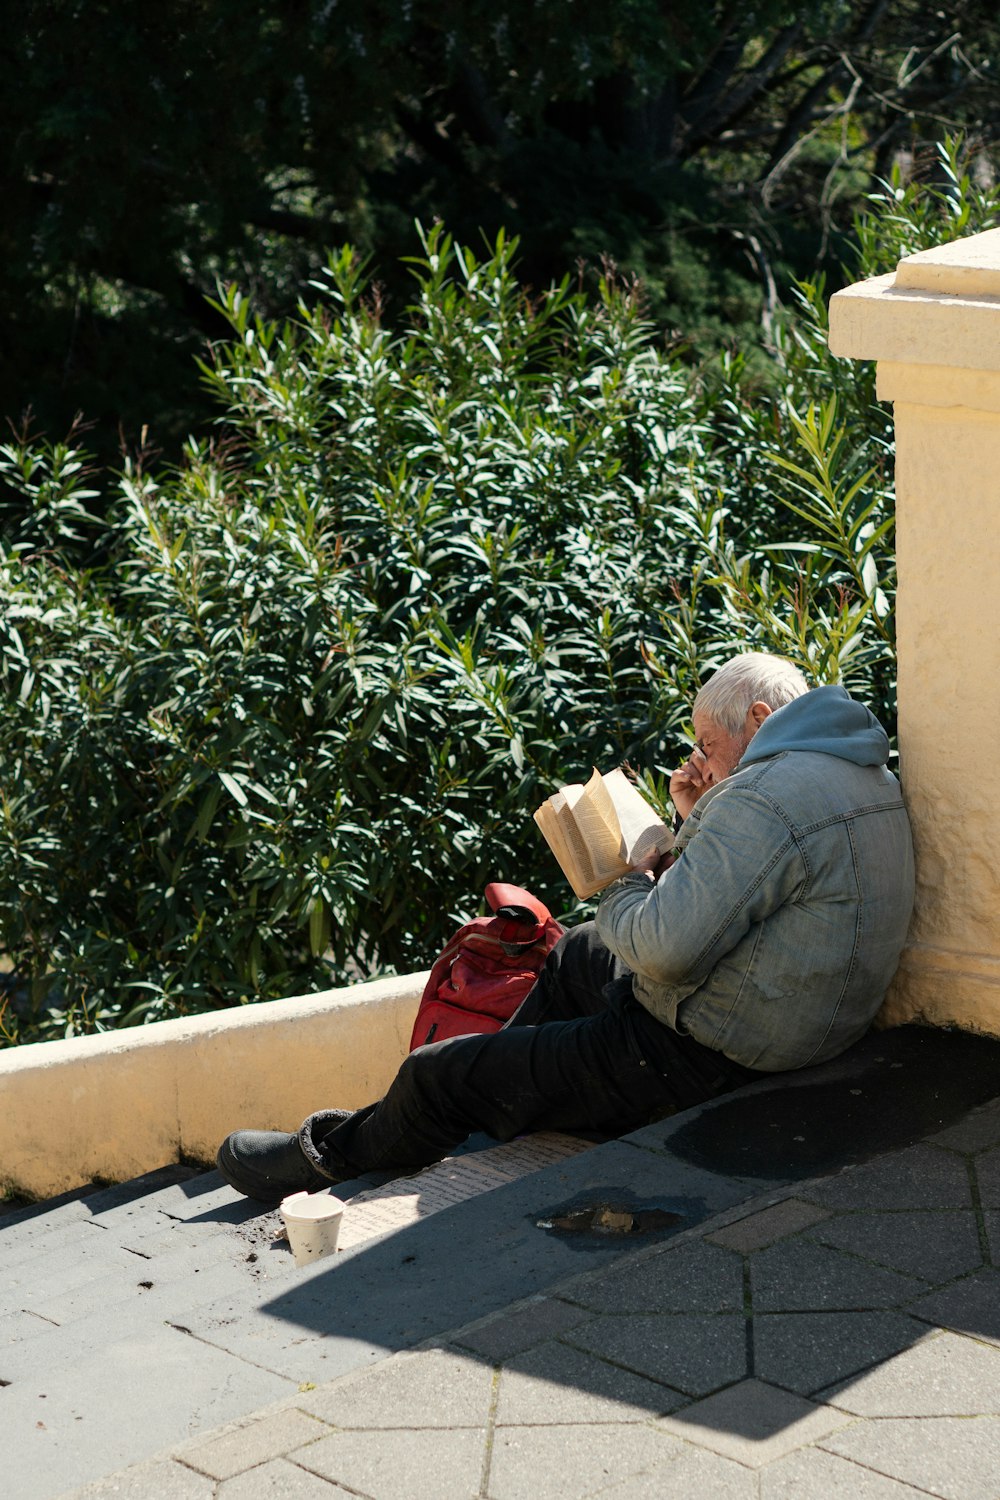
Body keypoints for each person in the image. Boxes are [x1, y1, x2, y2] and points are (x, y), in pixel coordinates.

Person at [217, 652, 915, 1204]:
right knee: (580, 950)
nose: (701, 761)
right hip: (803, 1024)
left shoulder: (764, 797)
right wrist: (689, 822)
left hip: (704, 1056)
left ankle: (328, 1153)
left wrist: (625, 875)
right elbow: (744, 891)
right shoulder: (855, 770)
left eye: (708, 742)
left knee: (437, 1074)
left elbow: (668, 953)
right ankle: (507, 1093)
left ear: (758, 717)